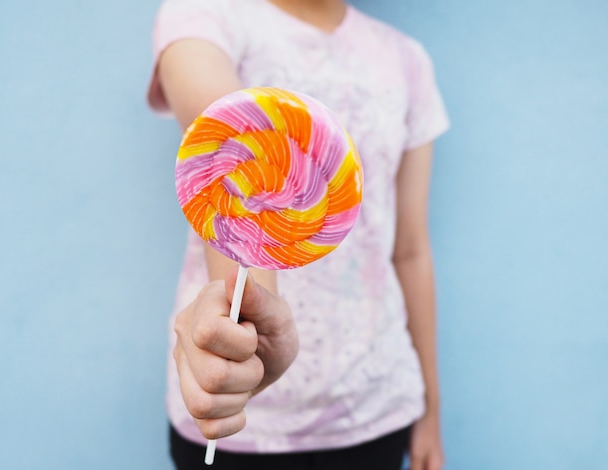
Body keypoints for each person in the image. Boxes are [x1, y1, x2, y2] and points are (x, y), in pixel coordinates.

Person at [147, 0, 450, 468]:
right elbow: (232, 152)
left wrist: (429, 409)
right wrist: (259, 335)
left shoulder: (406, 60)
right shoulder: (206, 15)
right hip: (235, 420)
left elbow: (409, 250)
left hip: (376, 407)